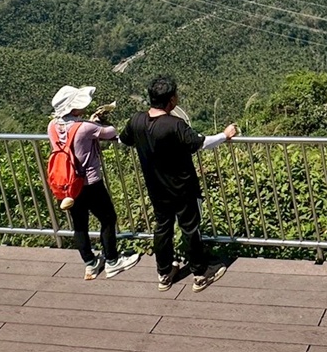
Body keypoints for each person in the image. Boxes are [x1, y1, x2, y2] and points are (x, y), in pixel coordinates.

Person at [120, 74, 240, 292]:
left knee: (162, 228)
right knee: (190, 228)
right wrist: (225, 134)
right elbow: (200, 143)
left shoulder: (136, 121)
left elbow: (123, 139)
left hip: (156, 187)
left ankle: (164, 274)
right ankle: (200, 274)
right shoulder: (174, 124)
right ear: (172, 100)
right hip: (182, 187)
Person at [48, 85, 141, 280]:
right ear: (74, 108)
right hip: (90, 182)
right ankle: (112, 261)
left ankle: (90, 264)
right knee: (107, 218)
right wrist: (96, 121)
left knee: (80, 225)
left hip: (69, 185)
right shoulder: (85, 127)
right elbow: (110, 132)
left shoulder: (52, 127)